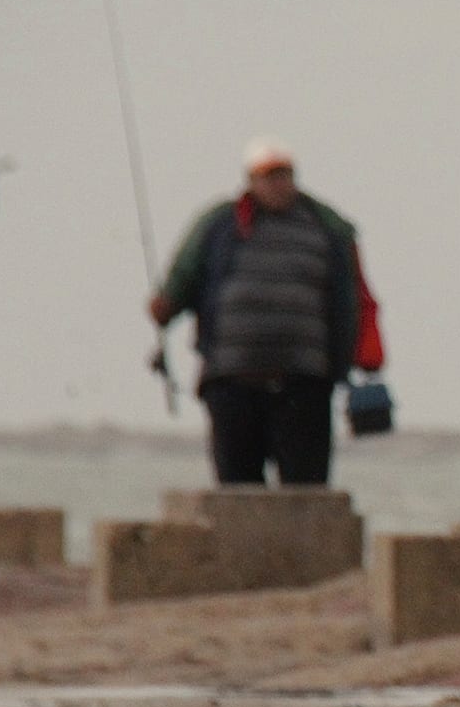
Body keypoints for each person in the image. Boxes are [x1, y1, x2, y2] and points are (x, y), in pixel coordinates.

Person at [149, 138, 385, 485]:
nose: (278, 183)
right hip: (231, 379)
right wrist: (164, 306)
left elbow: (353, 297)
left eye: (285, 174)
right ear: (250, 180)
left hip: (305, 380)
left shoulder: (325, 228)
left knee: (306, 491)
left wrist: (356, 357)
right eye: (269, 175)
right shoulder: (218, 226)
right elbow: (181, 282)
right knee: (237, 488)